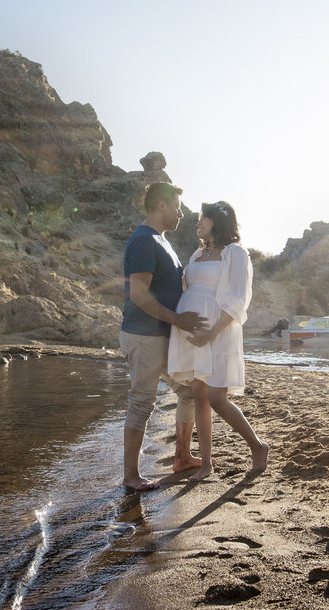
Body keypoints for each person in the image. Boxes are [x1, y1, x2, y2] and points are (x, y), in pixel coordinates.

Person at [168, 201, 268, 481]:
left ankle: (258, 446)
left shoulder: (234, 253)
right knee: (199, 395)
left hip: (219, 329)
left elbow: (237, 300)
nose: (198, 222)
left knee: (216, 397)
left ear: (218, 222)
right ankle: (206, 464)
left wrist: (211, 332)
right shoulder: (198, 252)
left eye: (203, 218)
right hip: (193, 332)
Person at [120, 181, 209, 491]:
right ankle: (131, 476)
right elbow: (140, 295)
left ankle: (182, 457)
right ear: (160, 206)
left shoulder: (161, 241)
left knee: (187, 391)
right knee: (142, 403)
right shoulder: (145, 241)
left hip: (160, 336)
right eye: (177, 207)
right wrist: (179, 320)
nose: (181, 213)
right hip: (143, 336)